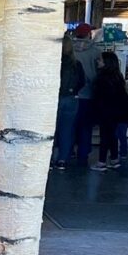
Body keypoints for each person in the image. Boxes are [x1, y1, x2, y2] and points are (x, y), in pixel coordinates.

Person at [91, 51, 128, 171]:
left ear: (106, 63)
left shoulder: (102, 78)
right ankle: (114, 159)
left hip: (106, 112)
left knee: (105, 136)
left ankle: (101, 162)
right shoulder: (117, 76)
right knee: (112, 136)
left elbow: (100, 97)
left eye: (100, 60)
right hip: (117, 112)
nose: (98, 61)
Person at [52, 36, 85, 170]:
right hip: (72, 99)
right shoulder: (76, 64)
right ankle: (62, 160)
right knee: (67, 131)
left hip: (55, 98)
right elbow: (82, 81)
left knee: (52, 130)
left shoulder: (53, 63)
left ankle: (49, 159)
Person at [72, 23, 100, 167]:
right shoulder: (95, 51)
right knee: (85, 127)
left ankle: (67, 152)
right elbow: (100, 71)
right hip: (88, 94)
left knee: (69, 126)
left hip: (70, 94)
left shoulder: (68, 50)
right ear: (89, 34)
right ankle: (83, 155)